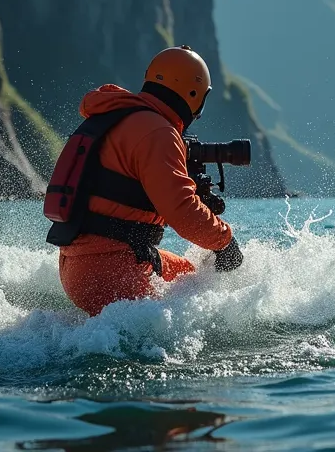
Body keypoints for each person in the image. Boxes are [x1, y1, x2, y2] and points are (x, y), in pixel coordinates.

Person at [43, 45, 244, 316]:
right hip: (111, 272)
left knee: (189, 274)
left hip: (78, 268)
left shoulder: (117, 116)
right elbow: (182, 210)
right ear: (194, 94)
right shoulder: (159, 132)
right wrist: (225, 241)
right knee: (199, 314)